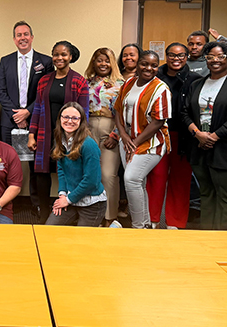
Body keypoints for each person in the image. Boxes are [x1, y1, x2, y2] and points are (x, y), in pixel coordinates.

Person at [181, 40, 227, 231]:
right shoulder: (197, 84)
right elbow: (185, 112)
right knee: (206, 195)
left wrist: (214, 136)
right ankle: (208, 238)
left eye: (220, 56)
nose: (215, 60)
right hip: (199, 149)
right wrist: (198, 134)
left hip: (226, 150)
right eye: (210, 56)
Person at [27, 41, 89, 223]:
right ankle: (44, 212)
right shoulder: (44, 80)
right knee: (42, 173)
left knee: (70, 171)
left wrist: (79, 137)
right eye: (56, 54)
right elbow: (37, 108)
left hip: (70, 135)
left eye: (63, 54)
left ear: (71, 57)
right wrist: (31, 134)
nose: (59, 58)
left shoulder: (79, 81)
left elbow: (84, 112)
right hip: (45, 134)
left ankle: (69, 211)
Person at [0, 21, 53, 215]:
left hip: (36, 118)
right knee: (4, 162)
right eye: (19, 35)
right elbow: (0, 90)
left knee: (36, 164)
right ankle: (4, 203)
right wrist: (17, 114)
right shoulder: (5, 61)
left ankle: (38, 204)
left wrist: (28, 111)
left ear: (32, 37)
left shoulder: (45, 62)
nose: (23, 38)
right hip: (8, 120)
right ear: (14, 39)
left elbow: (45, 91)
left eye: (26, 34)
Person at [113, 50, 172, 229]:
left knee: (131, 179)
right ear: (137, 65)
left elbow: (158, 121)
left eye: (154, 65)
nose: (149, 68)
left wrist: (135, 143)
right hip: (127, 140)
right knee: (138, 182)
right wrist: (123, 136)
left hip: (151, 142)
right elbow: (117, 109)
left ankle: (138, 226)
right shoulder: (129, 83)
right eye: (144, 64)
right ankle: (145, 224)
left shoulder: (161, 88)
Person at [147, 43, 201, 229]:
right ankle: (152, 220)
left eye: (180, 56)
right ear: (166, 56)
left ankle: (175, 223)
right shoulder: (155, 76)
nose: (176, 59)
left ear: (186, 57)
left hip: (183, 136)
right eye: (172, 55)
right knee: (156, 177)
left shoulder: (195, 79)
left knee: (180, 181)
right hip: (157, 134)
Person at [45, 102, 106, 227]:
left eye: (74, 118)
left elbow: (91, 181)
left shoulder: (89, 145)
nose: (69, 121)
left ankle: (110, 227)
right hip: (71, 199)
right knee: (49, 230)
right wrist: (62, 194)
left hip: (92, 204)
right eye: (66, 117)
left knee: (81, 242)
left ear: (81, 121)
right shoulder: (60, 139)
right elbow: (61, 169)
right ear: (60, 119)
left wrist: (67, 200)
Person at [84, 47, 124, 226]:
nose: (103, 64)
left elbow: (124, 113)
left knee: (108, 175)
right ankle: (92, 216)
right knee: (90, 173)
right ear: (94, 62)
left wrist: (115, 135)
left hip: (111, 129)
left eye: (107, 60)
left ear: (113, 63)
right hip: (89, 129)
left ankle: (110, 217)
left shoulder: (121, 84)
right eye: (99, 60)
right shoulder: (85, 83)